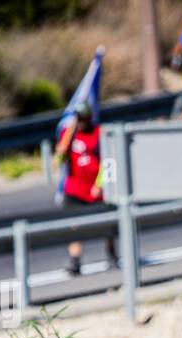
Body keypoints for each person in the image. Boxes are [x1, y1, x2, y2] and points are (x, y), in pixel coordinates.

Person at [54, 100, 117, 275]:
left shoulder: (99, 133)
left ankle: (112, 255)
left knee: (107, 226)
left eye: (84, 118)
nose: (81, 122)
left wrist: (100, 184)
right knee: (74, 226)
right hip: (75, 190)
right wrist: (64, 144)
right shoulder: (68, 134)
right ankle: (75, 261)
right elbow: (59, 160)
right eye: (78, 118)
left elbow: (108, 161)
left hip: (95, 191)